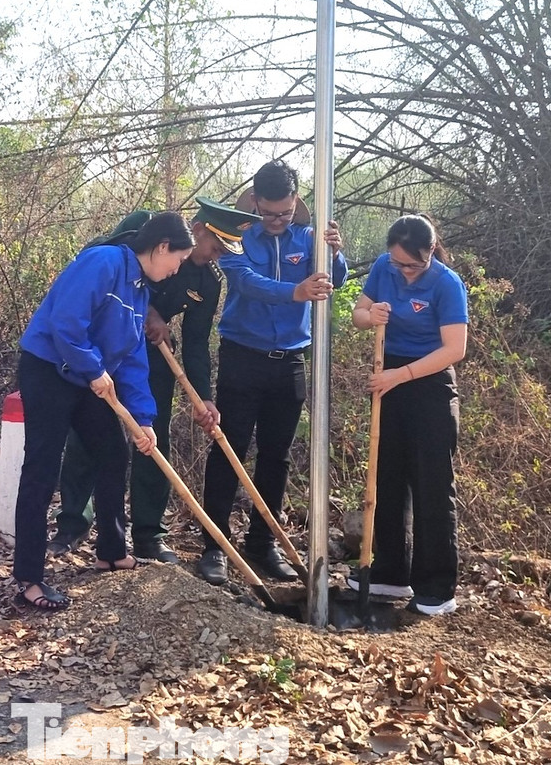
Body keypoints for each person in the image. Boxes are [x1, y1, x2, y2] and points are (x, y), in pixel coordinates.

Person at [50, 199, 263, 564]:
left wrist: (204, 398)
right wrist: (147, 310)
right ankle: (72, 523)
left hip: (150, 357)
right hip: (103, 344)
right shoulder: (147, 227)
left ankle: (149, 534)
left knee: (151, 438)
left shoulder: (208, 283)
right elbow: (106, 260)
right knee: (87, 433)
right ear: (199, 230)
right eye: (215, 247)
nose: (216, 257)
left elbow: (196, 343)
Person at [12, 211, 196, 611]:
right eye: (177, 260)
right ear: (162, 247)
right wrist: (93, 369)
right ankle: (29, 577)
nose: (176, 269)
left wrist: (143, 420)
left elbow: (131, 360)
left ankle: (111, 551)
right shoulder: (105, 261)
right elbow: (66, 322)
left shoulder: (139, 291)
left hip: (85, 378)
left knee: (113, 453)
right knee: (42, 468)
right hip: (48, 368)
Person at [197, 159, 347, 586]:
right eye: (268, 212)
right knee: (229, 449)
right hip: (243, 357)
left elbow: (335, 278)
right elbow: (244, 282)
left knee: (277, 457)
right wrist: (295, 291)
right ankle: (215, 545)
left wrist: (334, 252)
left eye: (284, 212)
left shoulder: (309, 236)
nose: (277, 220)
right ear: (256, 203)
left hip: (291, 361)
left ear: (296, 202)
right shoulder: (239, 237)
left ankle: (262, 543)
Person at [349, 214, 468, 616]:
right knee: (387, 475)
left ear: (430, 252)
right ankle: (389, 570)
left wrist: (403, 375)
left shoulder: (447, 284)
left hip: (428, 382)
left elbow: (454, 348)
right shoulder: (384, 268)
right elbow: (358, 314)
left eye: (411, 265)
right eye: (397, 263)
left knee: (432, 483)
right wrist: (372, 316)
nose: (403, 271)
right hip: (389, 377)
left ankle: (436, 585)